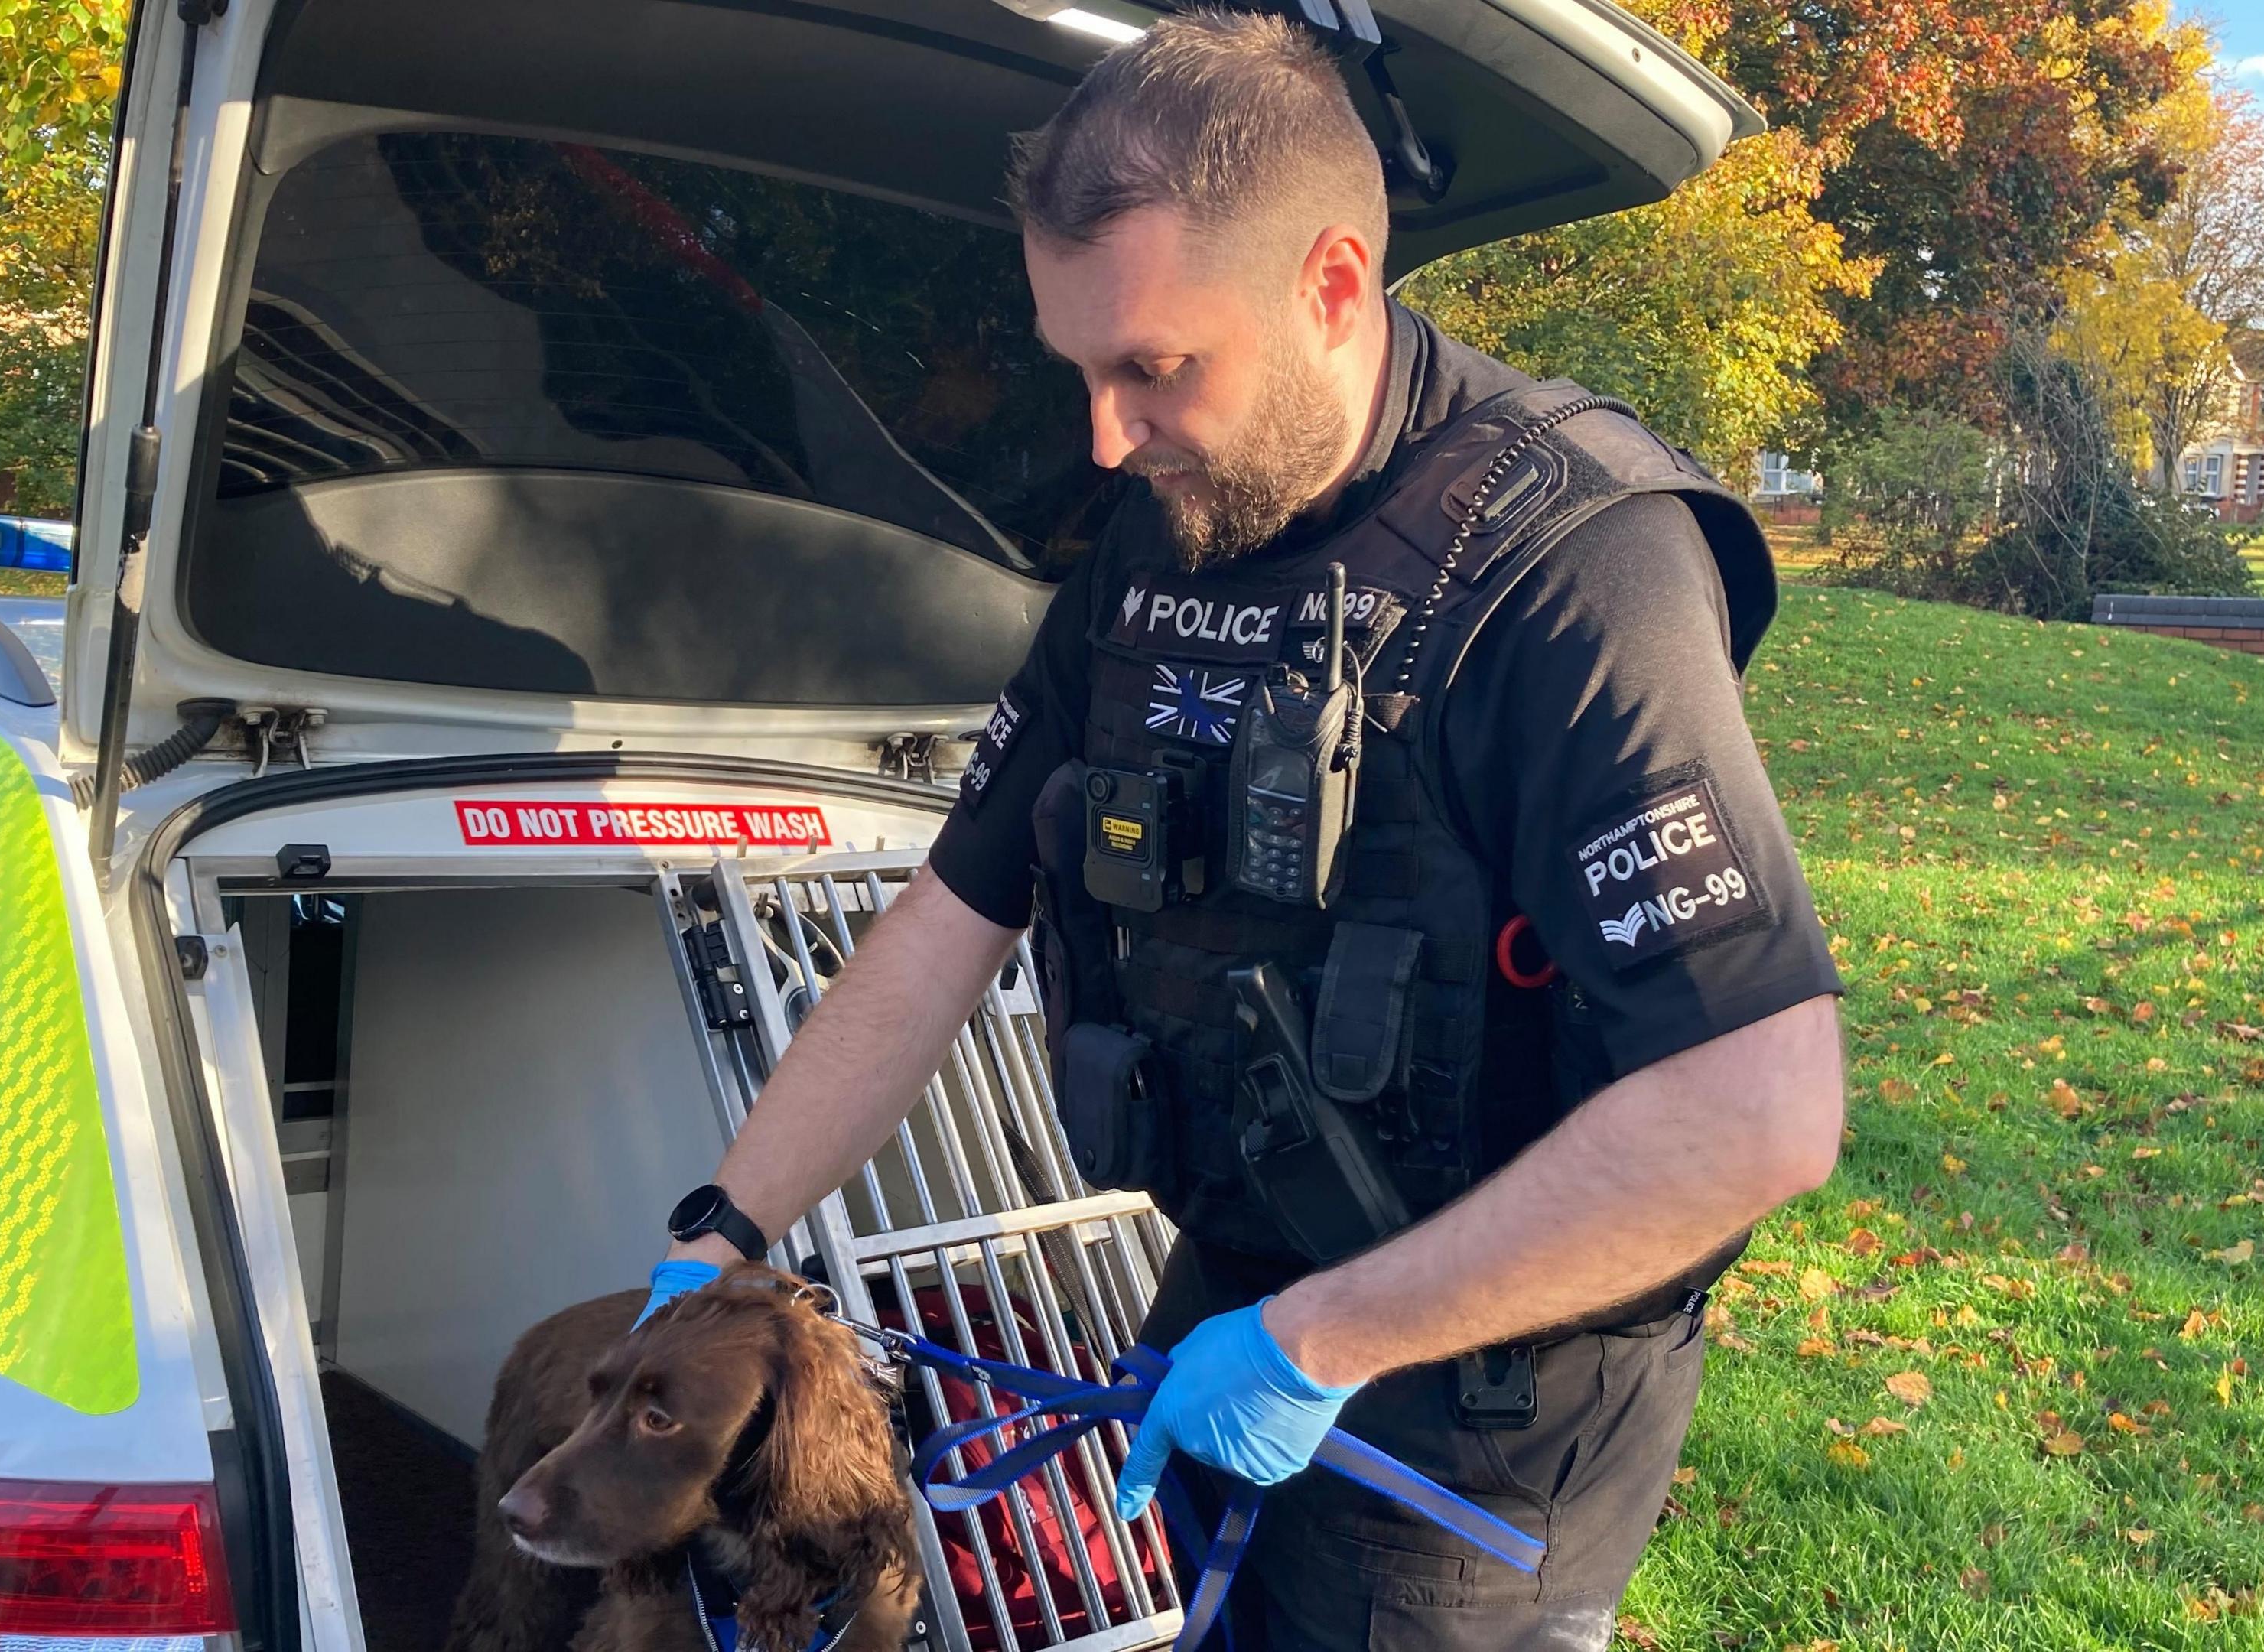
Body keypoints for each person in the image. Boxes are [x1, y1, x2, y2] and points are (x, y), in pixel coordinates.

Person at [649, 14, 1847, 1648]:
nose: (1103, 435)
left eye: (1154, 367)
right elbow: (946, 924)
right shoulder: (1152, 550)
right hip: (1234, 1292)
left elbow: (1758, 1110)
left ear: (1334, 287)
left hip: (1479, 1413)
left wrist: (1324, 1343)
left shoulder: (1580, 578)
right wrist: (725, 1230)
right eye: (1081, 368)